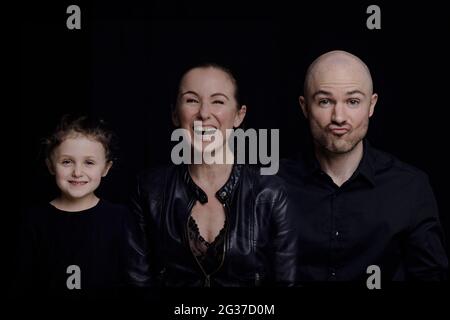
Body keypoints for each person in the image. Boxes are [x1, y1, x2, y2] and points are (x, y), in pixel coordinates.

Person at [279, 50, 448, 281]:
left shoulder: (411, 187)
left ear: (371, 105)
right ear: (304, 106)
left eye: (353, 101)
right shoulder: (267, 185)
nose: (339, 117)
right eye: (325, 101)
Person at [129, 62, 298, 287]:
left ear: (239, 116)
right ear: (175, 114)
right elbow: (138, 285)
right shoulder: (149, 189)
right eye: (191, 100)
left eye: (218, 101)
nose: (204, 113)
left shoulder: (271, 192)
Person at [15, 115, 132, 297]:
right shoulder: (33, 221)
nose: (77, 172)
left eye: (89, 162)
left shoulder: (121, 219)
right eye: (67, 162)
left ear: (106, 168)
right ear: (51, 166)